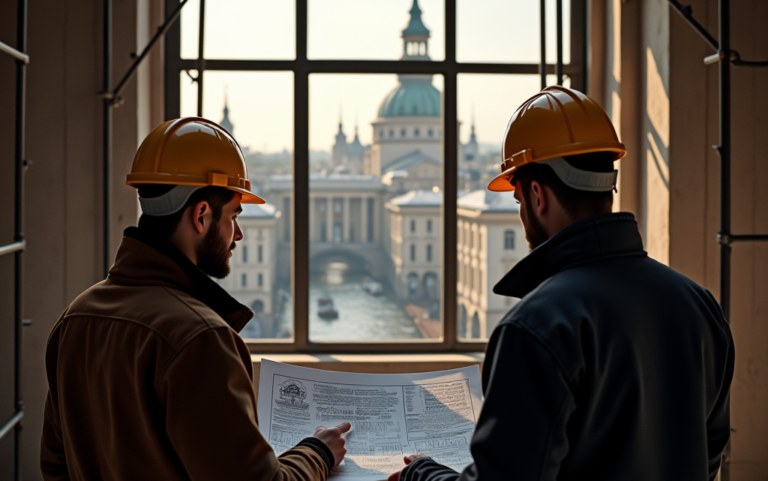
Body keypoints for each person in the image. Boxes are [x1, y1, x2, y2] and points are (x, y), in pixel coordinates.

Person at [389, 86, 734, 481]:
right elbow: (707, 454)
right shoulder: (700, 304)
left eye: (518, 201)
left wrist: (422, 474)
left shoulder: (537, 325)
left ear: (537, 196)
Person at [40, 117, 349, 480]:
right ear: (201, 216)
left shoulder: (75, 318)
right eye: (233, 216)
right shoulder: (200, 337)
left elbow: (55, 466)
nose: (238, 234)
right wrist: (317, 453)